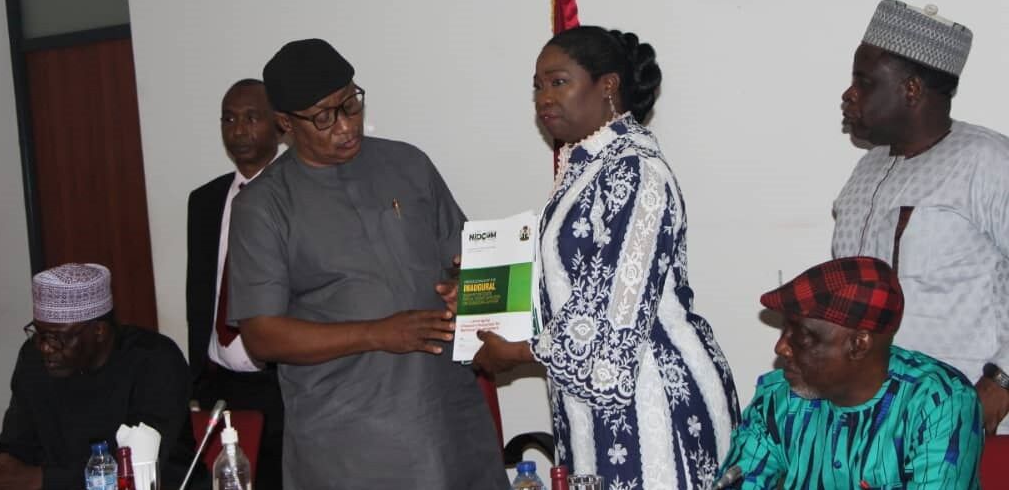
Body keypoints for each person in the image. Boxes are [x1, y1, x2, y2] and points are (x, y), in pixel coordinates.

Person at [227, 38, 507, 489]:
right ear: (284, 124)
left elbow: (467, 260)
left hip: (447, 417)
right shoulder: (263, 207)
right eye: (323, 117)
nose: (345, 126)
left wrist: (465, 285)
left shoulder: (408, 163)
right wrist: (378, 333)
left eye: (350, 103)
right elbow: (261, 336)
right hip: (349, 439)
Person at [473, 26, 740, 489]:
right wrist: (480, 288)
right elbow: (568, 284)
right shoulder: (588, 167)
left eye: (558, 82)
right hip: (596, 403)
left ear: (608, 86)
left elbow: (611, 309)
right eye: (537, 86)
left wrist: (515, 352)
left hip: (650, 400)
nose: (543, 98)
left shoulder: (634, 170)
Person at [834, 0, 1009, 435]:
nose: (849, 95)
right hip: (877, 426)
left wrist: (1002, 381)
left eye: (865, 82)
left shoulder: (985, 161)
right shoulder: (867, 169)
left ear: (911, 90)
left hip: (968, 422)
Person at [717, 256, 983, 489]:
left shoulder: (938, 403)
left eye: (802, 336)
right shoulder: (777, 401)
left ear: (858, 344)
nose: (781, 347)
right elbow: (740, 481)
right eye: (784, 329)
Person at [0, 263, 205, 490]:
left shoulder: (155, 360)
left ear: (98, 331)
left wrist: (37, 480)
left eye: (57, 337)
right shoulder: (33, 358)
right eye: (39, 333)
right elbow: (17, 444)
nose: (45, 347)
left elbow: (143, 463)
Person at [186, 78, 283, 487]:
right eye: (229, 118)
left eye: (250, 118)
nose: (238, 129)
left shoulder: (299, 196)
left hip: (281, 386)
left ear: (279, 125)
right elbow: (200, 291)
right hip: (218, 385)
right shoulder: (205, 200)